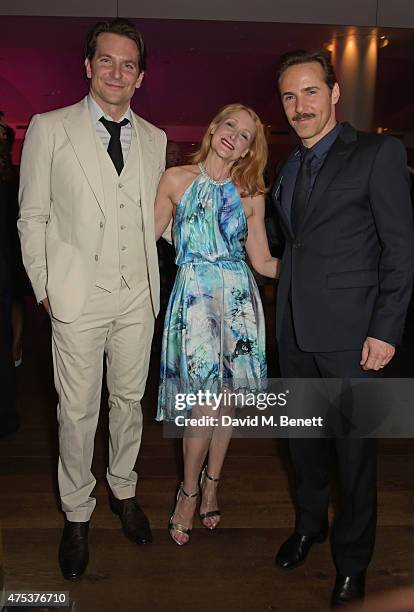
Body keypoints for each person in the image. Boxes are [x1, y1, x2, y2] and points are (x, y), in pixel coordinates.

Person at [18, 18, 166, 580]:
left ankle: (123, 491)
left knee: (128, 402)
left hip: (138, 295)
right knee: (76, 412)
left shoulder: (153, 138)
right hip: (76, 297)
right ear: (88, 66)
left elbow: (157, 217)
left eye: (128, 64)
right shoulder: (48, 128)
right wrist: (45, 287)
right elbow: (32, 215)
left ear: (141, 76)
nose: (117, 72)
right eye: (106, 60)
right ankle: (77, 511)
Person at [272, 50, 414, 607]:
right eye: (289, 96)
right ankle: (311, 525)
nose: (300, 106)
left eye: (310, 92)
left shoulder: (378, 153)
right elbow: (296, 247)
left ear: (334, 93)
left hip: (356, 337)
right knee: (303, 442)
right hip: (294, 331)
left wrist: (386, 328)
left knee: (354, 454)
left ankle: (353, 560)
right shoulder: (288, 163)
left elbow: (401, 252)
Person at [155, 103, 279, 545]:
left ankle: (212, 483)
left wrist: (318, 269)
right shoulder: (175, 180)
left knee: (224, 404)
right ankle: (188, 492)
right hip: (194, 302)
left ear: (249, 149)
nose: (235, 135)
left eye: (246, 134)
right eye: (231, 125)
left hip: (240, 303)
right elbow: (142, 240)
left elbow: (263, 262)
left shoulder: (251, 195)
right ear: (213, 127)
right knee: (202, 405)